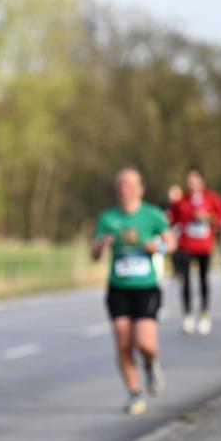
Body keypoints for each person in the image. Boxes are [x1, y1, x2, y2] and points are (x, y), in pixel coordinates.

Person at [92, 167, 176, 415]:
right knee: (123, 342)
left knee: (145, 343)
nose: (125, 191)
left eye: (130, 186)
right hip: (118, 288)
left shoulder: (152, 215)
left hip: (146, 287)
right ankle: (134, 393)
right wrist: (101, 245)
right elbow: (94, 254)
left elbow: (172, 242)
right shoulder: (108, 218)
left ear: (141, 188)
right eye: (121, 186)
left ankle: (150, 365)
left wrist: (157, 246)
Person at [168, 167, 221, 335]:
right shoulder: (181, 201)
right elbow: (173, 221)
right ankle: (187, 315)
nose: (191, 184)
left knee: (203, 279)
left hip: (204, 246)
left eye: (194, 181)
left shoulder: (212, 198)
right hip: (186, 246)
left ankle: (204, 314)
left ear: (202, 182)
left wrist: (207, 217)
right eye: (188, 181)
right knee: (185, 281)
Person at [163, 184, 184, 280]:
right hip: (171, 230)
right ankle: (176, 270)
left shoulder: (183, 204)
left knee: (181, 251)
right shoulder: (166, 205)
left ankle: (182, 269)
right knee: (173, 251)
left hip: (181, 229)